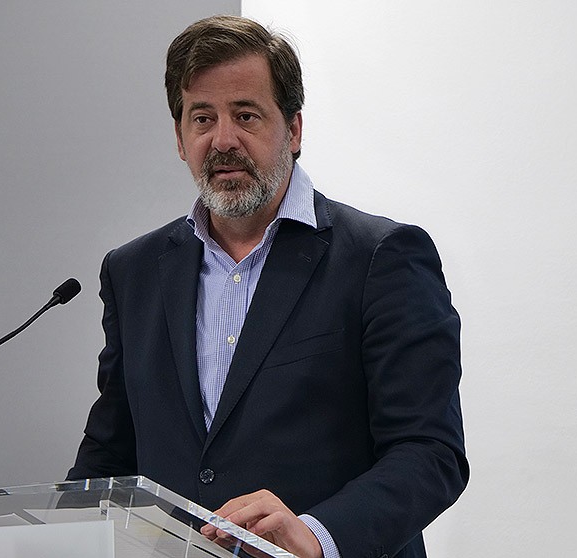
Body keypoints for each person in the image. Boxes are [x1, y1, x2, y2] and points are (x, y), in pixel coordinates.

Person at [67, 15, 468, 558]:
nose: (222, 139)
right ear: (180, 139)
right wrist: (56, 534)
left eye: (246, 115)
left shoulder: (381, 257)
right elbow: (110, 455)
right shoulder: (133, 271)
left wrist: (318, 535)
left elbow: (430, 451)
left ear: (294, 130)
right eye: (202, 118)